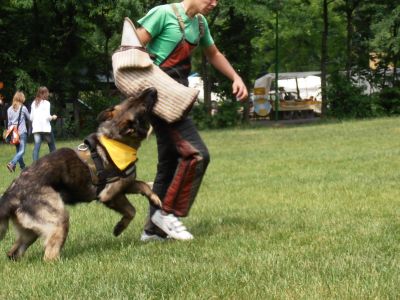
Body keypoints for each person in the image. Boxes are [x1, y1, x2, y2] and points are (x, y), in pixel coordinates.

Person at [136, 0, 248, 241]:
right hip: (160, 98)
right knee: (197, 154)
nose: (215, 3)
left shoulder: (199, 24)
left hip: (179, 96)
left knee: (169, 161)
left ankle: (152, 230)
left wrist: (235, 77)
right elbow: (131, 48)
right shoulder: (162, 14)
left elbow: (214, 53)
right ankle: (167, 214)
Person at [30, 86, 57, 161]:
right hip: (46, 129)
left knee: (36, 147)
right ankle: (55, 163)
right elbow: (47, 117)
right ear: (45, 93)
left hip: (36, 129)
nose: (48, 94)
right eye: (47, 92)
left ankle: (35, 166)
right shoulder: (47, 103)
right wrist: (53, 117)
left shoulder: (33, 103)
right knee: (52, 147)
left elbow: (31, 118)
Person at [6, 91, 30, 172]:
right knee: (22, 151)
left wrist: (10, 134)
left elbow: (9, 123)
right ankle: (12, 163)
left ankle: (23, 167)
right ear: (21, 98)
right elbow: (29, 118)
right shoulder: (23, 108)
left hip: (14, 133)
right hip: (22, 132)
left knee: (18, 151)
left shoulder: (9, 109)